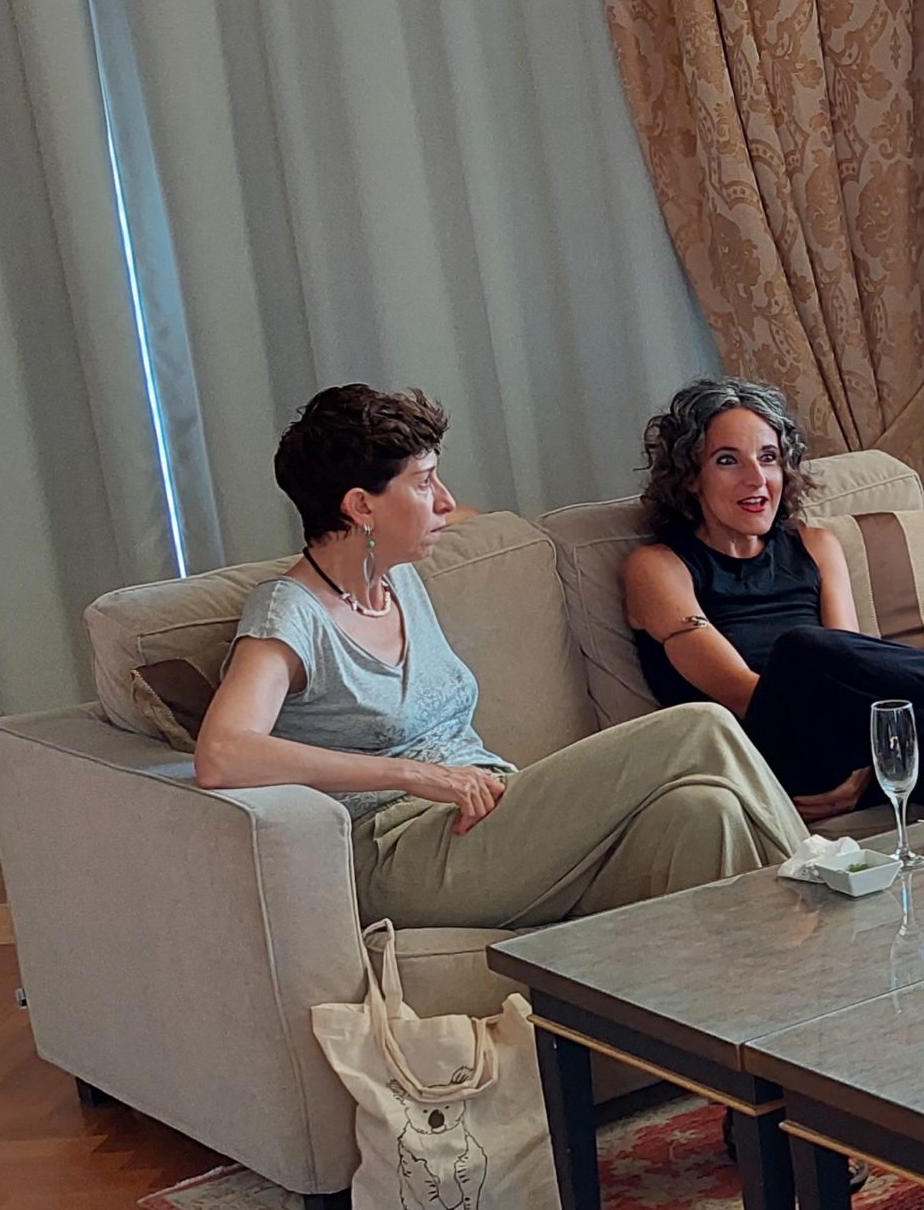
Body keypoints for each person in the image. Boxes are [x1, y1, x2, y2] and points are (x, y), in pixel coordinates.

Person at [194, 386, 806, 926]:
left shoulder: (396, 576)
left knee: (705, 813)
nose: (443, 500)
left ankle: (743, 1008)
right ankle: (825, 885)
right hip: (400, 850)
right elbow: (223, 753)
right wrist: (415, 775)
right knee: (700, 726)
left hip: (490, 817)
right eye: (424, 482)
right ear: (360, 506)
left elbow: (475, 518)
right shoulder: (290, 611)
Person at [621, 378, 924, 818]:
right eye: (727, 460)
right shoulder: (658, 566)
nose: (757, 479)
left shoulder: (814, 545)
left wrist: (873, 764)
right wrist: (864, 745)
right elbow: (743, 695)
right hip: (762, 750)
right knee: (804, 649)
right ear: (690, 476)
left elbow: (855, 669)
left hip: (853, 741)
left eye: (768, 458)